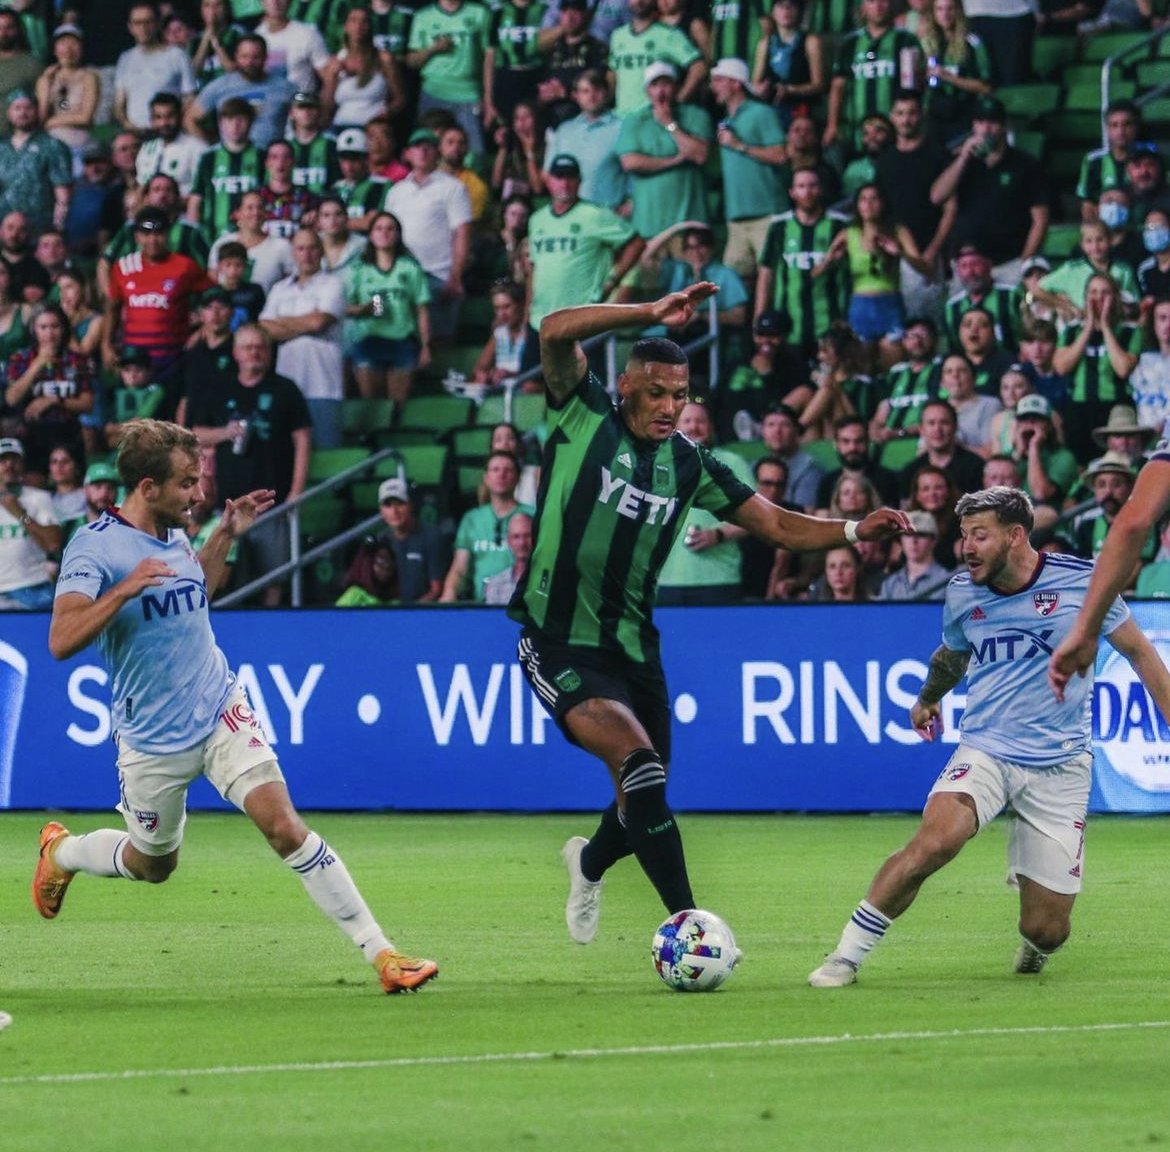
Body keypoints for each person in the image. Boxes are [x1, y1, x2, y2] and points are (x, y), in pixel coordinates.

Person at [514, 282, 908, 944]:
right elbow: (554, 329)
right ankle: (689, 929)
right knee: (639, 767)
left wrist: (850, 531)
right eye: (658, 393)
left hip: (635, 649)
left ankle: (587, 863)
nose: (671, 407)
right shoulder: (582, 417)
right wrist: (647, 312)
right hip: (558, 641)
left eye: (681, 395)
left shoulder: (691, 465)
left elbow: (775, 524)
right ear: (628, 387)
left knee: (644, 793)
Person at [38, 419, 436, 993]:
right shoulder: (95, 546)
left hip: (219, 706)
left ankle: (385, 956)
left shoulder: (178, 532)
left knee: (283, 827)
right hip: (151, 739)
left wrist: (225, 535)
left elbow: (196, 594)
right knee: (155, 865)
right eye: (185, 483)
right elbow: (59, 639)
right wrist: (122, 589)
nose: (198, 493)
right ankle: (64, 852)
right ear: (147, 487)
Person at [810, 486, 1170, 988]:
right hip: (986, 751)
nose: (967, 547)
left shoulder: (1084, 583)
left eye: (980, 535)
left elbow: (1140, 653)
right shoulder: (963, 591)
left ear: (1016, 535)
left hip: (1060, 766)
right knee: (935, 842)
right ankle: (845, 956)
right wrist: (928, 697)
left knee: (1046, 930)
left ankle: (1033, 928)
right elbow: (952, 655)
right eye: (964, 536)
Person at [526, 153, 644, 329]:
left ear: (579, 181)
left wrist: (611, 281)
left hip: (581, 317)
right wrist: (527, 311)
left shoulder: (594, 214)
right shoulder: (537, 219)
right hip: (540, 319)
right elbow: (535, 270)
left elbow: (636, 243)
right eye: (559, 177)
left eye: (570, 177)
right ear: (549, 181)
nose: (564, 184)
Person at [259, 227, 347, 447]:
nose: (306, 254)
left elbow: (319, 322)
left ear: (321, 252)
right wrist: (307, 322)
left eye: (312, 248)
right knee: (286, 454)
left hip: (324, 384)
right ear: (293, 253)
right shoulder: (279, 289)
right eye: (300, 248)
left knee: (329, 452)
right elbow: (264, 329)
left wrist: (282, 323)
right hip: (287, 383)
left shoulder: (334, 284)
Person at [344, 211, 431, 404]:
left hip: (402, 341)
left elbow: (421, 310)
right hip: (368, 340)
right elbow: (344, 307)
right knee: (371, 406)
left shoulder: (410, 267)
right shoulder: (359, 269)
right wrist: (361, 311)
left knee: (397, 407)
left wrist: (425, 346)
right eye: (379, 228)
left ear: (398, 234)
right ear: (371, 234)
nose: (384, 233)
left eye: (390, 228)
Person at [440, 449, 534, 602]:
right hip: (483, 607)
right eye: (495, 470)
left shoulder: (533, 515)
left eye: (508, 470)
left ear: (517, 477)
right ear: (486, 478)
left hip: (521, 602)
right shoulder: (471, 519)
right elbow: (460, 569)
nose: (501, 474)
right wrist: (449, 593)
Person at [114, 2, 198, 132]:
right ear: (130, 27)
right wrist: (127, 125)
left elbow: (190, 98)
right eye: (137, 23)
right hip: (135, 134)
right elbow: (119, 104)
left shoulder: (177, 55)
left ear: (158, 24)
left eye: (148, 22)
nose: (143, 28)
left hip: (169, 133)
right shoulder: (125, 59)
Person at [0, 435, 60, 609]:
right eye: (3, 460)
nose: (9, 465)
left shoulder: (39, 498)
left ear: (22, 465)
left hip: (33, 587)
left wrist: (20, 514)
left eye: (14, 460)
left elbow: (53, 545)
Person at [375, 475, 449, 603]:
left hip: (423, 614)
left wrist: (410, 612)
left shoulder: (432, 537)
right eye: (388, 505)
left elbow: (437, 590)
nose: (394, 511)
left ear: (411, 505)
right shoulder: (380, 542)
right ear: (381, 510)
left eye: (400, 504)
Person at [877, 507, 949, 599]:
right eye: (908, 535)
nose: (913, 541)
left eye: (921, 535)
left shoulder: (947, 582)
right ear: (901, 539)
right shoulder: (890, 584)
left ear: (934, 540)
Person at [483, 510, 534, 605]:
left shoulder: (546, 581)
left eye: (527, 536)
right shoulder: (495, 584)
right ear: (508, 541)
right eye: (516, 537)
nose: (522, 543)